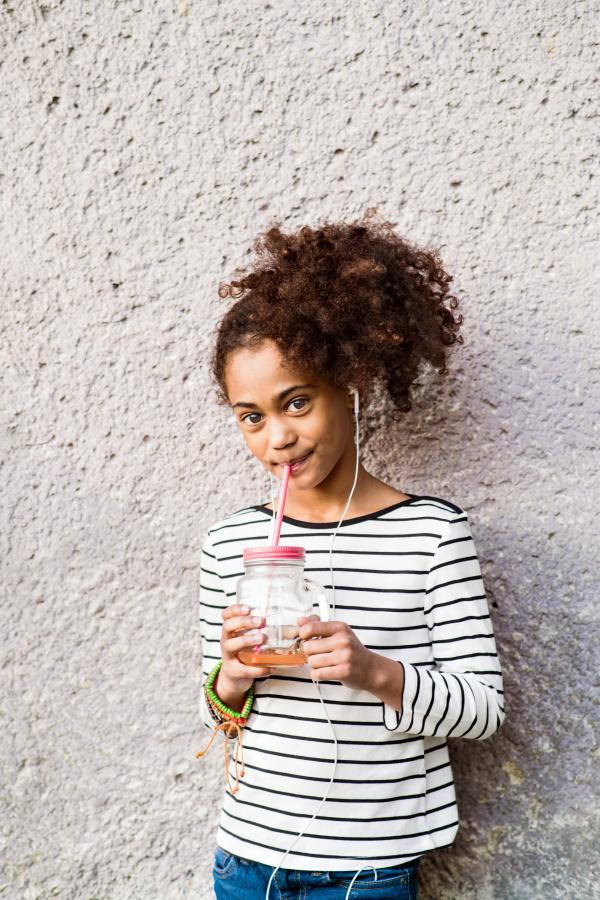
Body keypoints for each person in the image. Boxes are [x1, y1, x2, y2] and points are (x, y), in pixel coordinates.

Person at [199, 211, 504, 900]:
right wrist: (232, 679)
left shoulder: (431, 534)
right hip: (245, 858)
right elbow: (216, 712)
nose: (276, 436)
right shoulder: (228, 545)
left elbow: (483, 709)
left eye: (296, 402)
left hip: (367, 868)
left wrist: (376, 671)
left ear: (350, 385)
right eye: (251, 415)